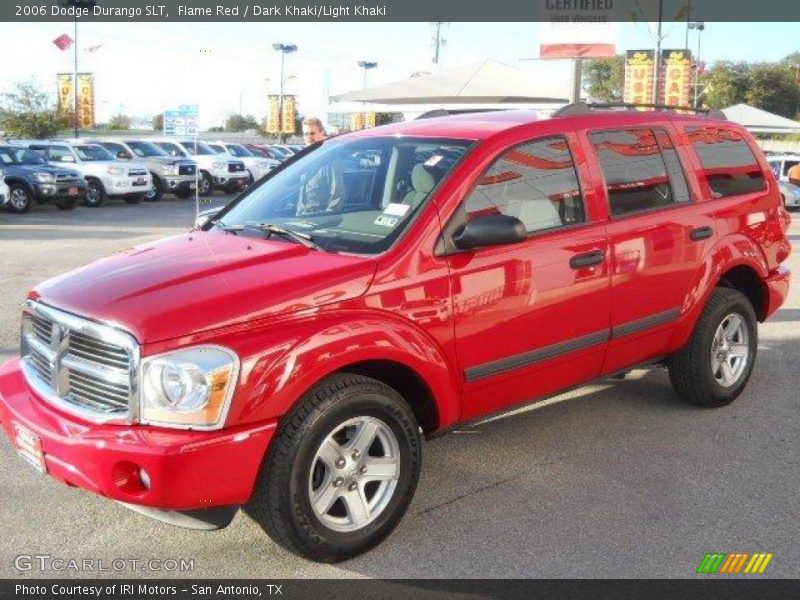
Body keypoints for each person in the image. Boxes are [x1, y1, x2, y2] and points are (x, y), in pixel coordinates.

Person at [296, 117, 343, 215]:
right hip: (301, 216)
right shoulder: (301, 160)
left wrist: (326, 219)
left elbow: (337, 197)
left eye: (312, 133)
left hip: (319, 218)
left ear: (322, 134)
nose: (309, 137)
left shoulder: (330, 161)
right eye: (306, 134)